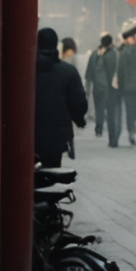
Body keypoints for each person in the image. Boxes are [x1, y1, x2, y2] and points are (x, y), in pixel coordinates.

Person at [34, 27, 87, 167]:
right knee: (52, 171)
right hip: (56, 137)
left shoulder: (25, 70)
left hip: (28, 135)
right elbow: (78, 102)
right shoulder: (68, 71)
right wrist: (80, 120)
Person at [112, 26, 136, 148]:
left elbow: (121, 71)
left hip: (129, 88)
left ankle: (131, 131)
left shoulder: (124, 52)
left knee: (130, 111)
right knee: (135, 111)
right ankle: (132, 131)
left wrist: (121, 87)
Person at [86, 35, 114, 142]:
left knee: (99, 108)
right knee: (109, 108)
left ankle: (99, 127)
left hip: (97, 86)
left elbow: (89, 72)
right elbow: (112, 71)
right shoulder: (112, 54)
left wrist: (88, 87)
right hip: (108, 86)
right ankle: (110, 129)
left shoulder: (94, 54)